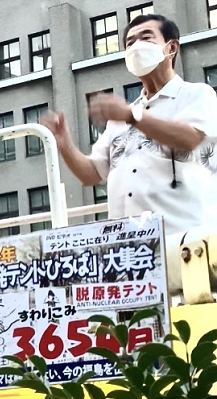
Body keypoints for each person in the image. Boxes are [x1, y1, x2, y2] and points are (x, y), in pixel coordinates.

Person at [41, 13, 217, 237]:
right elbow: (92, 173)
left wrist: (132, 116)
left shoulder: (197, 94)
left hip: (186, 241)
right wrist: (64, 144)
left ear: (171, 47)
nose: (136, 47)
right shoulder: (122, 117)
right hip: (130, 248)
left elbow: (191, 138)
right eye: (130, 43)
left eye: (146, 38)